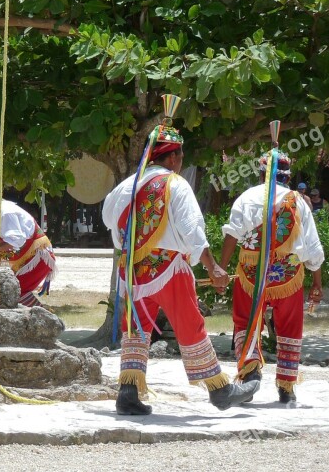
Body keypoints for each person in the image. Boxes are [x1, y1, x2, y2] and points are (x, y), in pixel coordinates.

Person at [102, 95, 259, 416]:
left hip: (131, 272)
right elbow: (192, 231)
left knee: (136, 328)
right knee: (190, 324)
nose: (182, 159)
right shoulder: (176, 184)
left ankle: (128, 391)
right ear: (172, 158)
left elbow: (109, 222)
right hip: (169, 268)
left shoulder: (126, 187)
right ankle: (220, 390)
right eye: (181, 154)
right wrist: (213, 267)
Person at [220, 144, 325, 404]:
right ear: (288, 177)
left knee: (245, 321)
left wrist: (220, 269)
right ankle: (286, 387)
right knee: (289, 326)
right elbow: (312, 246)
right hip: (287, 275)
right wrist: (317, 283)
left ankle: (249, 376)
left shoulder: (247, 197)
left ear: (260, 173)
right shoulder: (298, 201)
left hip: (250, 274)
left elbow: (232, 234)